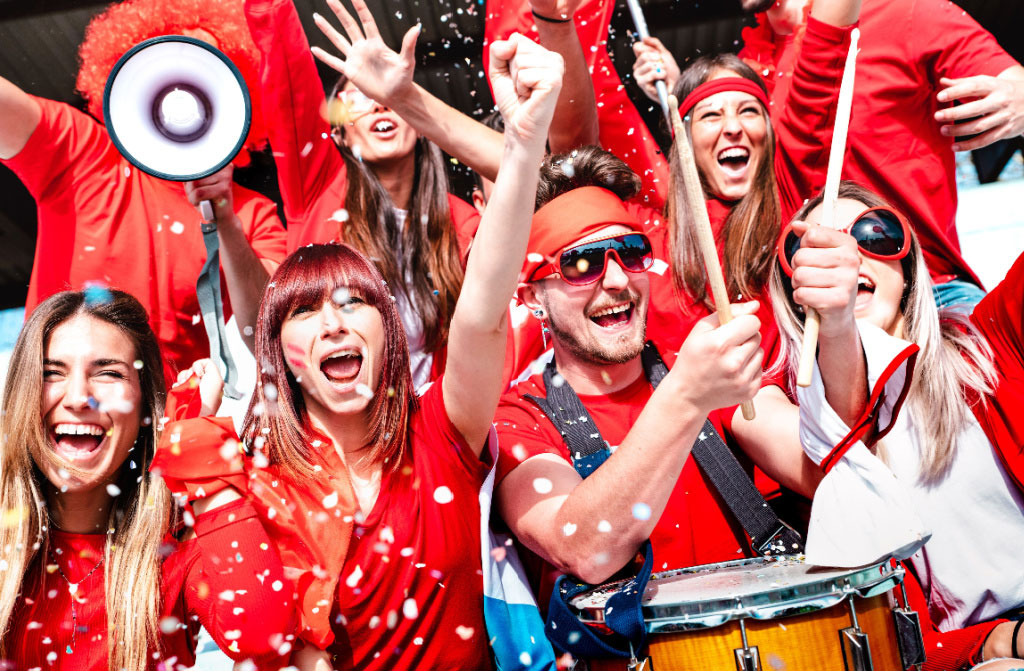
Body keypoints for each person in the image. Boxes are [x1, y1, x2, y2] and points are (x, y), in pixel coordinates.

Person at [157, 32, 563, 670]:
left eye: (355, 303)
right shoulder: (256, 481)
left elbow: (483, 307)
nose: (334, 323)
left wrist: (525, 141)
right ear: (277, 347)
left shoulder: (442, 432)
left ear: (389, 332)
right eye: (305, 310)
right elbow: (259, 642)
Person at [493, 163, 821, 616]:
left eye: (630, 252)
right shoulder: (518, 420)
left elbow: (823, 471)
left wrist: (839, 321)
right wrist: (686, 396)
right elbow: (585, 548)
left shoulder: (710, 372)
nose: (616, 279)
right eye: (580, 263)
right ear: (533, 298)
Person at [769, 180, 1024, 670]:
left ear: (906, 271)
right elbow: (882, 638)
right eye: (815, 249)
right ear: (797, 290)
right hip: (975, 655)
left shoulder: (990, 347)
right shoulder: (798, 427)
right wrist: (1002, 642)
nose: (847, 255)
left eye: (873, 235)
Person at [635, 0, 1024, 308]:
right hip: (814, 304)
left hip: (927, 289)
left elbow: (1009, 77)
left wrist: (1020, 95)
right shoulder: (753, 65)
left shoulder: (905, 11)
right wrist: (678, 94)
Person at [0, 289, 294, 670]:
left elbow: (265, 638)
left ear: (143, 408)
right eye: (51, 372)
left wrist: (194, 439)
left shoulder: (177, 557)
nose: (78, 397)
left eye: (108, 373)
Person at [0, 0, 288, 376]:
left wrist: (226, 223)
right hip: (53, 409)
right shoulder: (81, 153)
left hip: (168, 424)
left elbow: (272, 336)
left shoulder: (251, 214)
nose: (186, 83)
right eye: (171, 63)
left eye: (207, 71)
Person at [243, 0, 488, 389]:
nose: (377, 103)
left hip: (437, 430)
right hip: (343, 427)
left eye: (390, 93)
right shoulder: (317, 190)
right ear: (337, 132)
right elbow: (289, 82)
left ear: (421, 121)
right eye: (357, 96)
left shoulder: (465, 226)